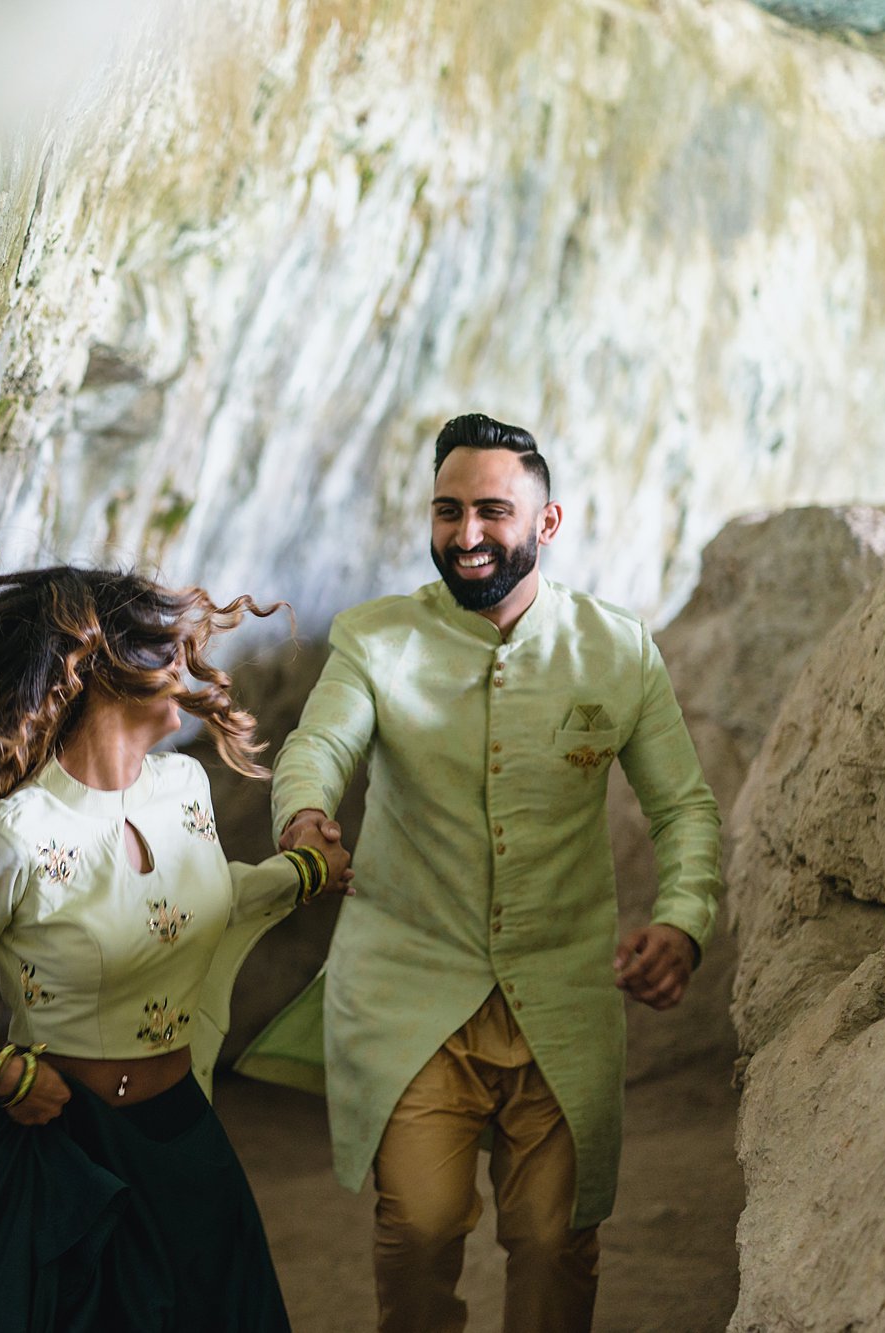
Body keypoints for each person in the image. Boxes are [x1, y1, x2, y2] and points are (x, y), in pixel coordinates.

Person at [239, 415, 722, 1333]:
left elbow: (684, 808)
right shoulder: (375, 640)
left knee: (552, 1241)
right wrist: (307, 819)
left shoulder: (618, 650)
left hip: (564, 995)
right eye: (447, 510)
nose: (466, 535)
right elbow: (318, 745)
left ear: (547, 523)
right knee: (417, 1227)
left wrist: (684, 918)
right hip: (409, 990)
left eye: (492, 511)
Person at [0, 563, 351, 1333]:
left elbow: (197, 902)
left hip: (184, 1134)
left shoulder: (183, 789)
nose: (191, 668)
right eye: (168, 651)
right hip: (66, 1153)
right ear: (103, 671)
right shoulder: (17, 836)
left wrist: (305, 870)